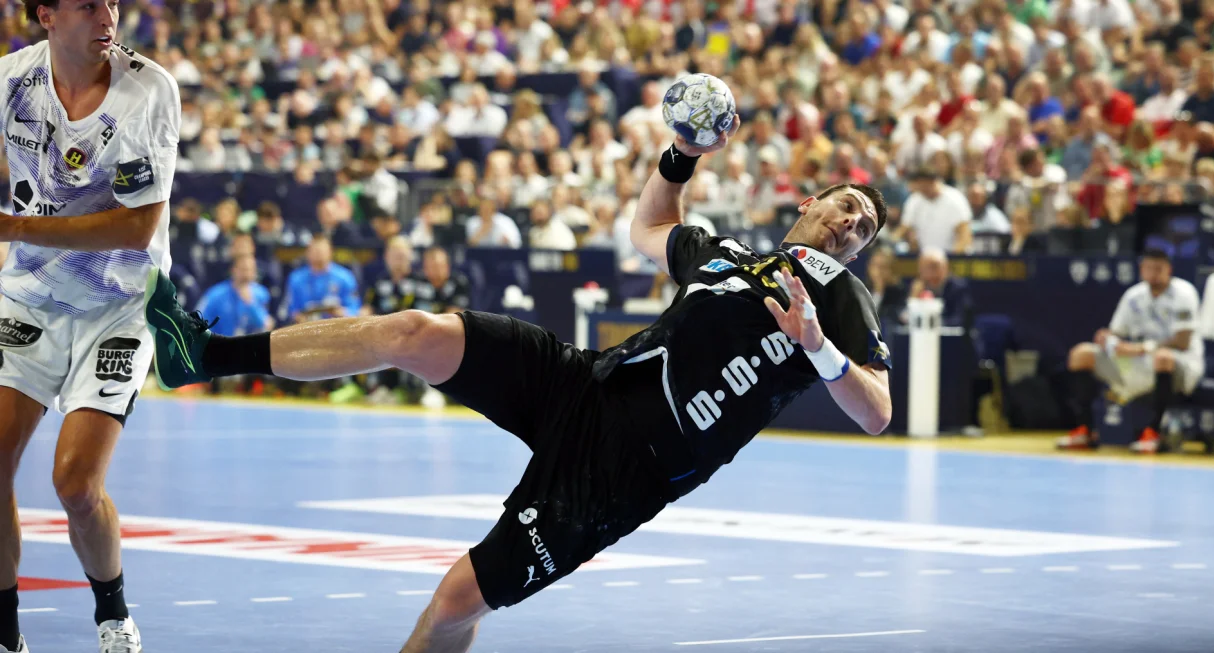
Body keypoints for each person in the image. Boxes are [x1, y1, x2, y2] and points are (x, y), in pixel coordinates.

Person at [141, 117, 894, 653]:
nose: (852, 221)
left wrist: (821, 348)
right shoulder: (726, 255)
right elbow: (648, 226)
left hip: (618, 475)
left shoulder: (837, 298)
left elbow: (877, 412)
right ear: (807, 204)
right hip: (582, 383)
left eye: (864, 225)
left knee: (454, 603)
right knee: (417, 332)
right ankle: (201, 355)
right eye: (846, 204)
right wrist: (677, 156)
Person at [0, 1, 182, 650]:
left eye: (112, 1)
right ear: (45, 14)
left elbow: (138, 229)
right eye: (86, 4)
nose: (107, 15)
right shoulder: (12, 80)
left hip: (119, 305)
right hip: (29, 298)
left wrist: (16, 226)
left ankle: (113, 614)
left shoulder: (147, 90)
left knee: (76, 484)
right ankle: (6, 634)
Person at [1057, 250, 1204, 454]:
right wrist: (1107, 338)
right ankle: (1085, 430)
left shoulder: (1184, 293)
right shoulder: (1134, 295)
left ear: (1168, 270)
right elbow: (1117, 331)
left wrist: (1142, 348)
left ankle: (1153, 434)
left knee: (1162, 358)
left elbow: (1182, 341)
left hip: (1180, 363)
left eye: (1158, 269)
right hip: (1136, 361)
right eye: (1148, 268)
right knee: (1081, 354)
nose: (1153, 273)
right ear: (1141, 269)